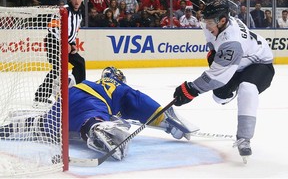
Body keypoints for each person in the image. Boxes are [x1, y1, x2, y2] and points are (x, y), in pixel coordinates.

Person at [1, 67, 198, 161]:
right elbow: (142, 104)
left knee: (45, 124)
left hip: (69, 98)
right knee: (92, 119)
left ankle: (11, 127)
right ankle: (97, 130)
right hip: (91, 103)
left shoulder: (98, 82)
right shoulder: (119, 87)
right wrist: (169, 123)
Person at [173, 0, 274, 161]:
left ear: (222, 20)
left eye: (210, 22)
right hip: (238, 64)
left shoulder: (232, 43)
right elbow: (212, 44)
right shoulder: (214, 24)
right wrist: (212, 54)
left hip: (259, 64)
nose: (207, 26)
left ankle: (244, 138)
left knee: (247, 88)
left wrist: (190, 90)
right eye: (205, 21)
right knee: (219, 97)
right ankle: (234, 92)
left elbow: (215, 77)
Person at [34, 0, 86, 105]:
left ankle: (79, 92)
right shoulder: (64, 10)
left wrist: (72, 44)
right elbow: (52, 27)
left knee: (80, 62)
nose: (77, 0)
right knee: (58, 68)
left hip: (66, 44)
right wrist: (64, 43)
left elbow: (74, 31)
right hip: (54, 42)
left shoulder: (79, 14)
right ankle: (40, 96)